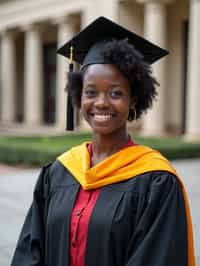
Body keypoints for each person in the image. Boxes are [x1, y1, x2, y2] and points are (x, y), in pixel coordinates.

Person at [11, 16, 195, 266]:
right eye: (91, 92)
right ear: (78, 95)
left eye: (116, 92)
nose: (101, 102)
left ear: (133, 99)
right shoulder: (58, 173)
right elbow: (30, 251)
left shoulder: (156, 182)